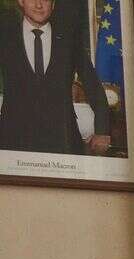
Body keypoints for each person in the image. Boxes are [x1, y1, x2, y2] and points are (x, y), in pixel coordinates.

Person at [0, 0, 111, 155]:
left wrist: (102, 130)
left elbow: (92, 84)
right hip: (13, 143)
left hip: (63, 143)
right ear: (21, 1)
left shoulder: (68, 39)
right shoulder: (5, 36)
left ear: (53, 5)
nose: (39, 5)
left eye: (45, 0)